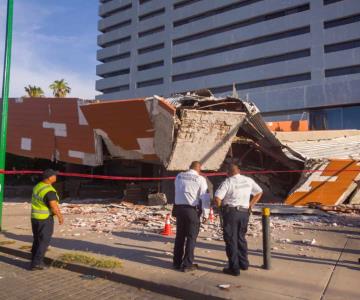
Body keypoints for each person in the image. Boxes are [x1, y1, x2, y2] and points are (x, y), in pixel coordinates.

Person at [214, 164, 263, 276]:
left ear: (228, 172)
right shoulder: (248, 180)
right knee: (241, 238)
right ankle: (244, 264)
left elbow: (217, 198)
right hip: (244, 213)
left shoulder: (228, 182)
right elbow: (259, 192)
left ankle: (234, 268)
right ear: (239, 171)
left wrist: (221, 209)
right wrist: (250, 205)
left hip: (231, 212)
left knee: (231, 239)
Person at [173, 161, 209, 272]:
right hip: (191, 211)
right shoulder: (200, 179)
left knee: (179, 237)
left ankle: (177, 262)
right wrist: (206, 213)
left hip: (179, 209)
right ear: (199, 169)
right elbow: (205, 197)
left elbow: (177, 190)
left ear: (189, 167)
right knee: (191, 238)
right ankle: (187, 264)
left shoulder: (179, 176)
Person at [30, 169, 64, 270]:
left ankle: (34, 259)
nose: (56, 177)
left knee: (37, 239)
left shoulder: (38, 186)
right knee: (44, 241)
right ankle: (37, 263)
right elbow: (54, 206)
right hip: (45, 219)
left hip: (35, 217)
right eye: (54, 175)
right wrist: (60, 217)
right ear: (49, 178)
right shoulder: (49, 191)